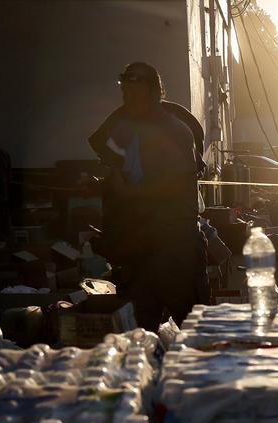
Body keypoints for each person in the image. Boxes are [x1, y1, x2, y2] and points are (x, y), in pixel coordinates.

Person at [89, 62, 210, 329]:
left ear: (156, 93)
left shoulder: (175, 131)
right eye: (125, 95)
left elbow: (174, 186)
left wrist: (129, 192)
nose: (129, 101)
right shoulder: (129, 132)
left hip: (174, 248)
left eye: (137, 94)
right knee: (141, 338)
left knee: (195, 333)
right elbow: (102, 145)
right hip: (139, 251)